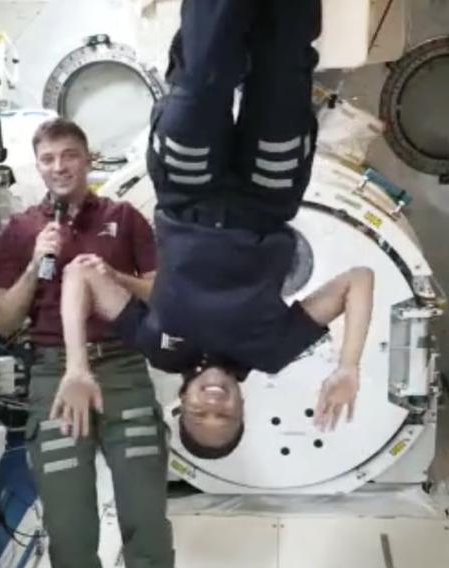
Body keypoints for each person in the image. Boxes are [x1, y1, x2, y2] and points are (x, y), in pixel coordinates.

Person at [53, 0, 375, 461]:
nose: (212, 406)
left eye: (198, 415)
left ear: (179, 404)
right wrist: (348, 366)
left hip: (187, 190)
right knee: (284, 71)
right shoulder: (272, 350)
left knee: (203, 73)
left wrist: (77, 368)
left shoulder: (158, 347)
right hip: (268, 196)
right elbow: (358, 280)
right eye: (225, 417)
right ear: (243, 407)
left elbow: (79, 277)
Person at [0, 118, 174, 568]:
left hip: (122, 368)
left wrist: (114, 278)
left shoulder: (124, 218)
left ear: (88, 160)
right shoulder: (20, 229)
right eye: (48, 159)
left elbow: (163, 295)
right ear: (37, 167)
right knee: (69, 530)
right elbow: (2, 320)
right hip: (54, 377)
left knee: (145, 518)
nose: (59, 167)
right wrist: (36, 264)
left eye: (69, 155)